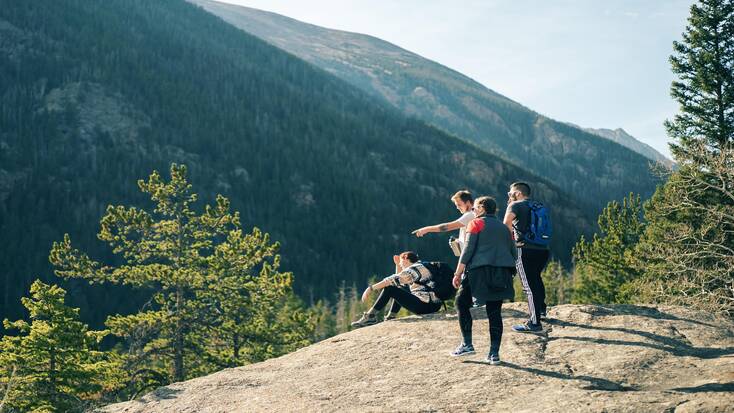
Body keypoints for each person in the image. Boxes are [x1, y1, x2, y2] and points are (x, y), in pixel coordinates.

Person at [450, 196, 516, 364]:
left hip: (479, 272)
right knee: (494, 312)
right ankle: (494, 354)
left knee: (461, 303)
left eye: (476, 207)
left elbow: (467, 251)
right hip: (503, 273)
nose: (473, 210)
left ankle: (467, 344)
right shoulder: (504, 228)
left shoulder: (476, 223)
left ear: (482, 209)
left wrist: (457, 274)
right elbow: (513, 253)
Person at [503, 182, 550, 333]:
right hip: (543, 249)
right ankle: (541, 311)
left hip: (524, 249)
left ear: (517, 193)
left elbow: (506, 226)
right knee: (536, 279)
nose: (509, 196)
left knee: (528, 287)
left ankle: (534, 324)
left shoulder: (515, 205)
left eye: (510, 193)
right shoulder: (537, 205)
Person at [351, 251, 443, 328]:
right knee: (399, 288)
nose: (400, 264)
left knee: (389, 288)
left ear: (406, 258)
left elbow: (391, 281)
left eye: (401, 262)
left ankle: (370, 316)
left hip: (426, 306)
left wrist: (370, 288)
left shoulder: (413, 270)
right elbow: (400, 283)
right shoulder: (421, 266)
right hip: (433, 305)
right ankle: (391, 316)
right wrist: (397, 266)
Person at [411, 190, 475, 255]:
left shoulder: (470, 215)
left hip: (469, 257)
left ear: (468, 202)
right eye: (456, 205)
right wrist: (458, 241)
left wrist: (426, 229)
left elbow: (447, 227)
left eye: (459, 205)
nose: (457, 208)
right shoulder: (471, 214)